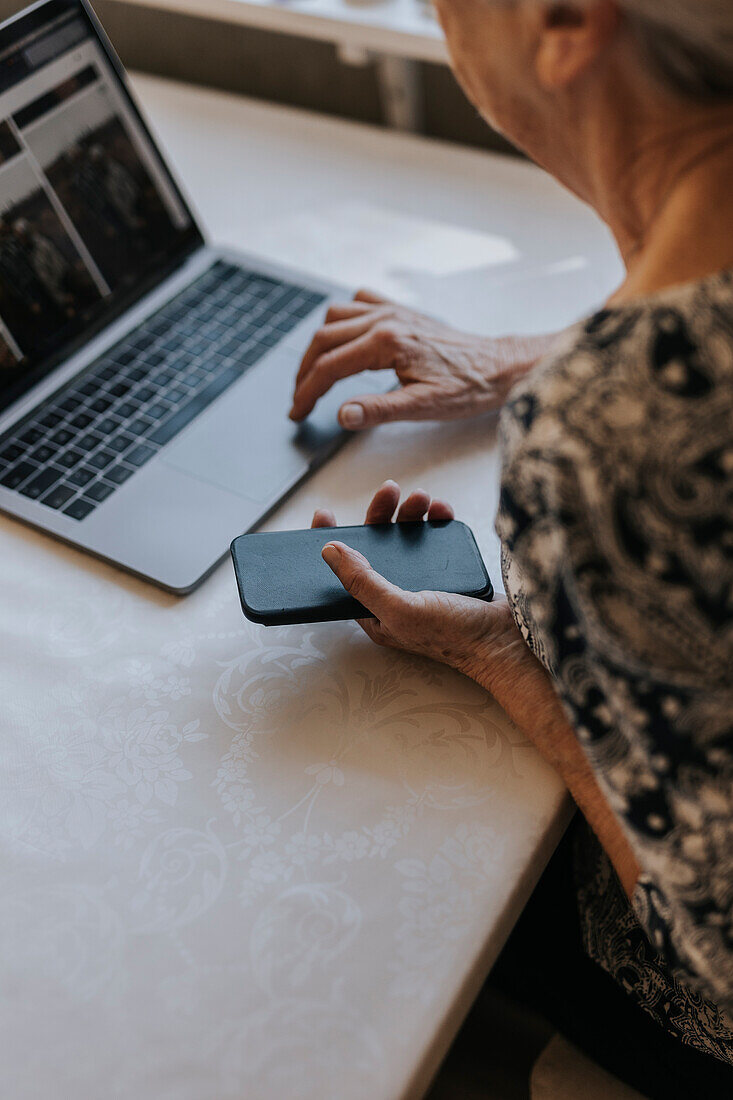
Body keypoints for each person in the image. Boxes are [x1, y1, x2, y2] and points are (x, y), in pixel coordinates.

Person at [289, 2, 733, 1096]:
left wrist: (507, 659)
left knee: (372, 912)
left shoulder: (614, 434)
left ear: (565, 20)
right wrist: (532, 354)